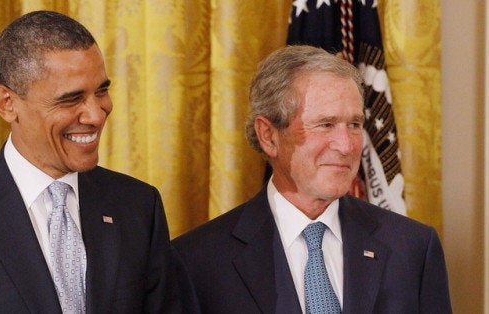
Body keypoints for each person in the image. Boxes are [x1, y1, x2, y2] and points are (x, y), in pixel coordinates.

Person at [0, 10, 189, 313]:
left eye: (101, 91)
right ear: (7, 104)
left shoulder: (138, 205)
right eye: (71, 99)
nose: (96, 114)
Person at [172, 45, 452, 313]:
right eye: (325, 124)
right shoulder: (198, 261)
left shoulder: (412, 247)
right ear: (269, 136)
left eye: (354, 125)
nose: (346, 145)